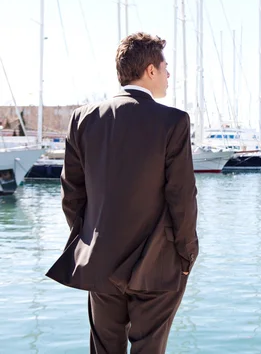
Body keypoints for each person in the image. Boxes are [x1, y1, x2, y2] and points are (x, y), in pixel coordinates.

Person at [46, 32, 199, 354]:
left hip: (99, 257)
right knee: (149, 349)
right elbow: (181, 196)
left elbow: (72, 193)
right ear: (151, 70)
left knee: (104, 349)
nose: (169, 74)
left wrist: (87, 239)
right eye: (165, 66)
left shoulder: (83, 118)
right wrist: (186, 253)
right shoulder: (173, 121)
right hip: (157, 261)